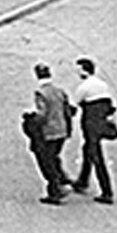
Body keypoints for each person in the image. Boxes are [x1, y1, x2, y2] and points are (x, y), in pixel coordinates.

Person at [68, 56, 117, 204]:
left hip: (90, 125)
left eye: (78, 70)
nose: (77, 73)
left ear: (84, 71)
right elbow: (111, 106)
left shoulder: (83, 88)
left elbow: (73, 108)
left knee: (96, 156)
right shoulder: (103, 85)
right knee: (87, 150)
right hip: (101, 123)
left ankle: (107, 192)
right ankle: (83, 180)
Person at [28, 63, 74, 203]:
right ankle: (63, 180)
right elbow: (68, 110)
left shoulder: (41, 93)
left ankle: (55, 190)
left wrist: (32, 120)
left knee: (46, 161)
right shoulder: (60, 91)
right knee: (54, 156)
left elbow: (43, 114)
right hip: (62, 129)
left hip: (49, 131)